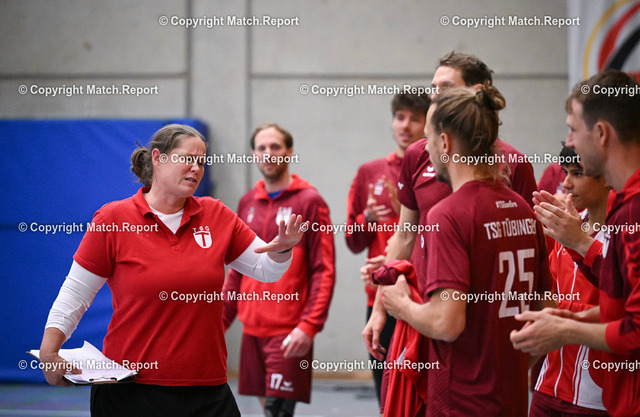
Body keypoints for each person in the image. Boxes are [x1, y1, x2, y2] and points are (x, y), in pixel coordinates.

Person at [38, 124, 306, 417]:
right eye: (187, 159)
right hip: (130, 390)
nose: (196, 168)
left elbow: (266, 270)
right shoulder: (113, 218)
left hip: (207, 390)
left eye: (201, 162)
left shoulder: (216, 214)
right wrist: (50, 352)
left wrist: (282, 249)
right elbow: (76, 293)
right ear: (158, 158)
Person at [381, 83, 553, 416]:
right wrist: (513, 365)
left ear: (444, 143)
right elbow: (547, 307)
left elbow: (446, 323)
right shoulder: (521, 208)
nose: (425, 150)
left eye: (428, 139)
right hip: (512, 398)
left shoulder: (448, 215)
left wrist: (401, 306)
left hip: (460, 400)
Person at [363, 50, 537, 365]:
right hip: (422, 313)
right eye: (434, 88)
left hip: (483, 323)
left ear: (477, 92)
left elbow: (531, 253)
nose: (436, 95)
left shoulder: (514, 164)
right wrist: (380, 308)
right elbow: (404, 236)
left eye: (446, 88)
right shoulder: (419, 154)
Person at [510, 69, 640, 416]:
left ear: (601, 134)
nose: (569, 143)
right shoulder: (625, 207)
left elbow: (635, 329)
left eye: (573, 129)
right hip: (562, 389)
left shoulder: (632, 210)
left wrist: (566, 328)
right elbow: (622, 304)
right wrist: (562, 319)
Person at [222, 123, 335, 417]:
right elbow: (236, 270)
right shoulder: (247, 202)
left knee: (277, 412)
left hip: (288, 331)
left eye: (275, 146)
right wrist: (218, 322)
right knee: (265, 410)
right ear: (253, 154)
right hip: (251, 329)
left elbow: (324, 269)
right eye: (261, 148)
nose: (268, 153)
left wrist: (309, 326)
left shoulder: (309, 201)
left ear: (289, 151)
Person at [345, 92, 430, 403]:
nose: (405, 125)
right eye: (400, 117)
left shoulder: (437, 172)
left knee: (421, 396)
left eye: (415, 118)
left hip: (424, 295)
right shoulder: (370, 172)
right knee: (387, 397)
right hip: (381, 295)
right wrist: (366, 219)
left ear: (428, 124)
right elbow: (353, 242)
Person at [530, 144, 610, 416]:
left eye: (578, 173)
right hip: (548, 385)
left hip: (596, 397)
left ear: (607, 176)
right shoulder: (566, 227)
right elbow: (550, 297)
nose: (565, 183)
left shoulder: (627, 231)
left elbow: (625, 306)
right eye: (565, 172)